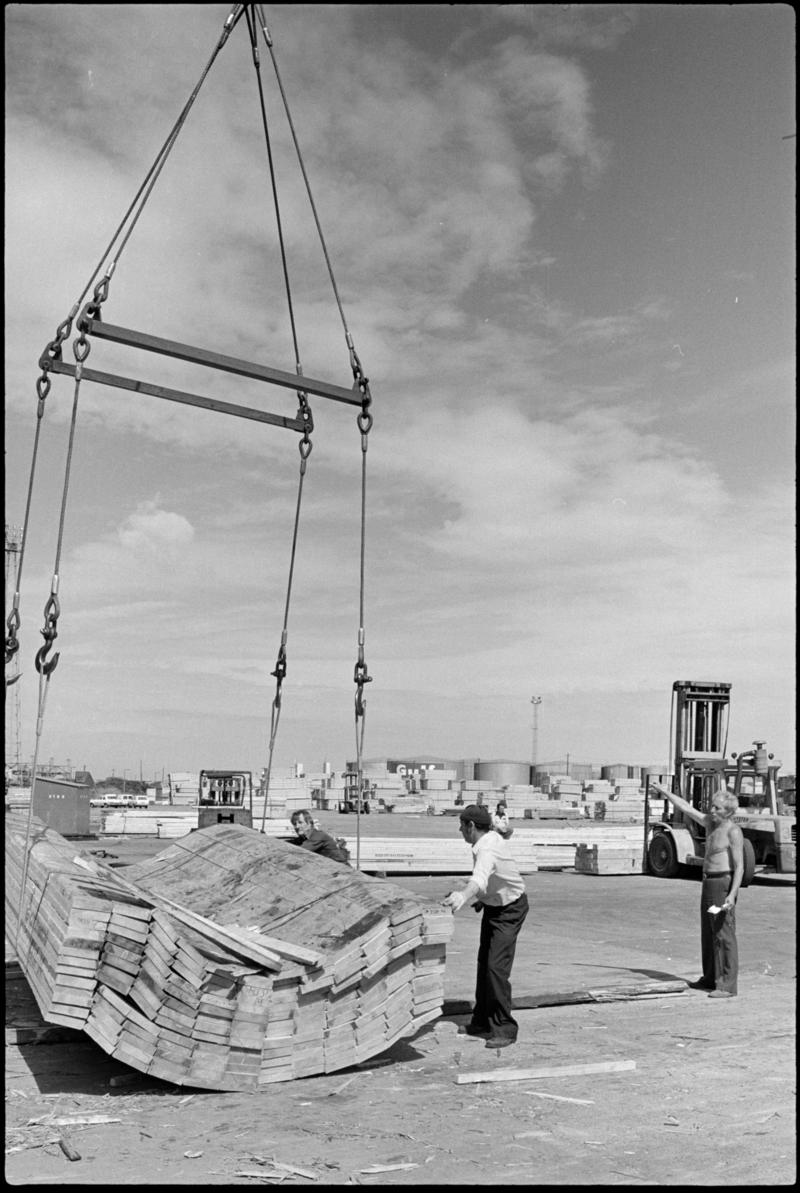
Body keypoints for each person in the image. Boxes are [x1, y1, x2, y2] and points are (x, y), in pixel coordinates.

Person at [443, 804, 529, 1048]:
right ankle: (481, 1021)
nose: (460, 830)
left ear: (471, 826)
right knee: (484, 965)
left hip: (510, 910)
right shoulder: (488, 839)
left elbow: (479, 878)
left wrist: (463, 896)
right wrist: (484, 899)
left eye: (462, 826)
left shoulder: (487, 848)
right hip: (495, 906)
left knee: (495, 968)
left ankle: (505, 1028)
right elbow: (492, 878)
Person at [650, 778, 744, 997]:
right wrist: (664, 791)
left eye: (716, 808)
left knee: (723, 934)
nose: (711, 810)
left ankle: (727, 986)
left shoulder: (733, 832)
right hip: (708, 883)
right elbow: (685, 807)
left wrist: (732, 894)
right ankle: (710, 978)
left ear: (728, 811)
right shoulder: (710, 823)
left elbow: (739, 867)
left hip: (723, 884)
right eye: (711, 806)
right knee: (709, 931)